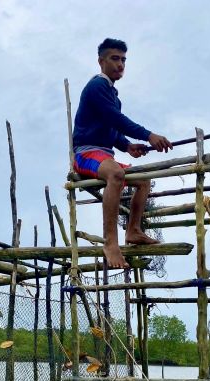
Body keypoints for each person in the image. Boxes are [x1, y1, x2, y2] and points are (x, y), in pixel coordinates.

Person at [72, 38, 174, 269]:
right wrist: (148, 135)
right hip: (85, 153)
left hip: (105, 155)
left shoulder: (113, 95)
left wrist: (127, 146)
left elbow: (112, 129)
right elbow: (115, 119)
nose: (120, 64)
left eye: (123, 60)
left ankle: (134, 230)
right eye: (114, 58)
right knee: (116, 174)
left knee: (144, 179)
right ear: (101, 61)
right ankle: (111, 243)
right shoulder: (97, 86)